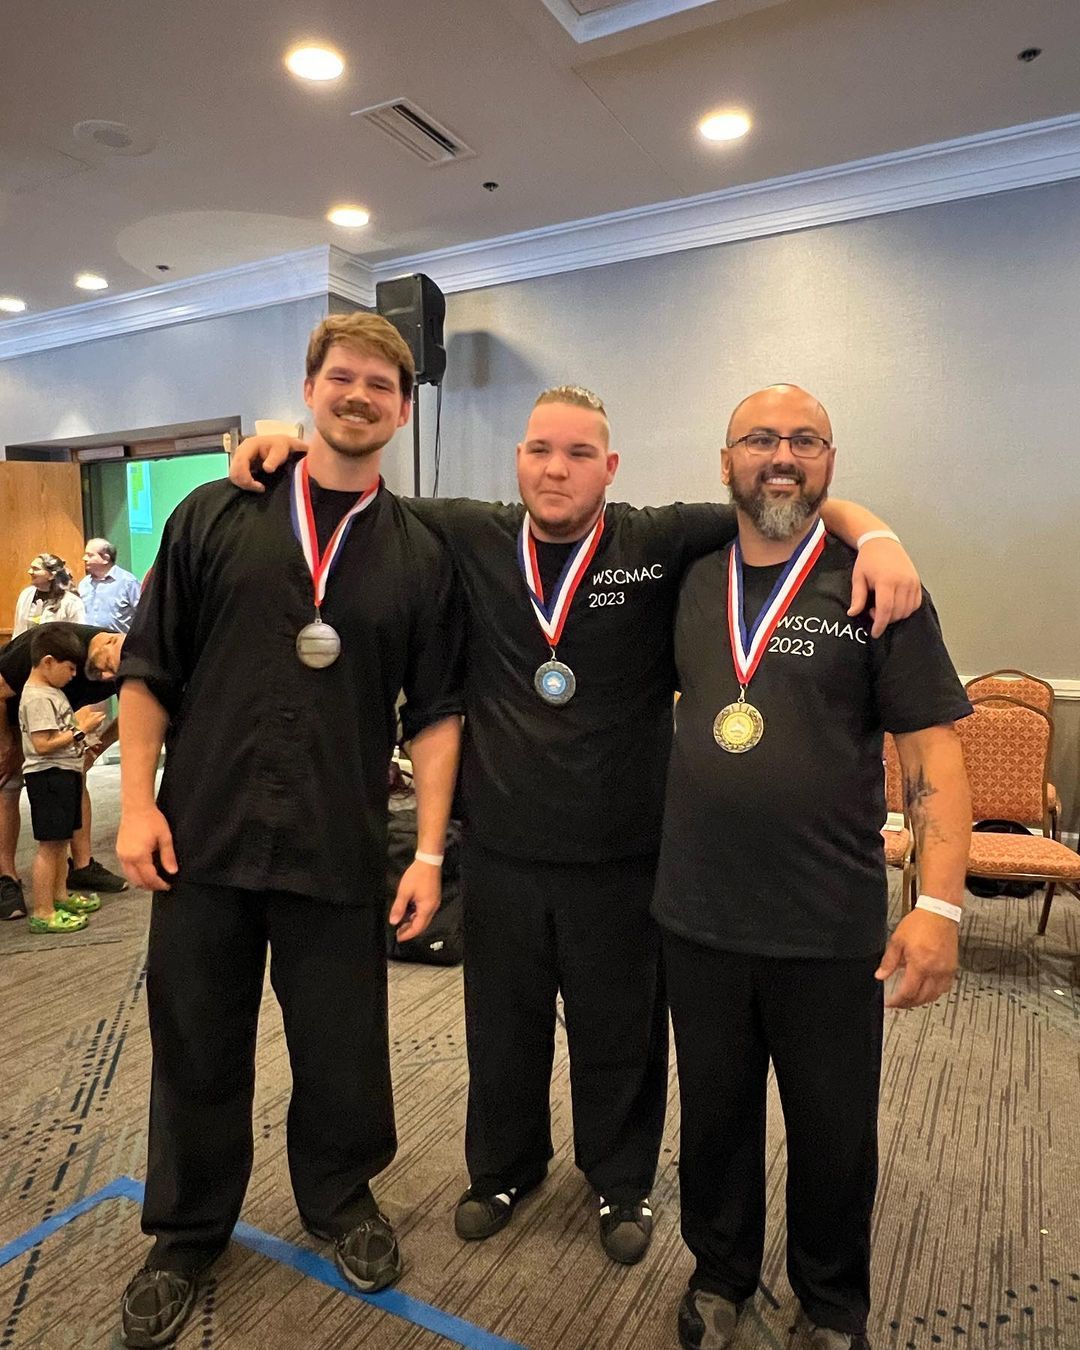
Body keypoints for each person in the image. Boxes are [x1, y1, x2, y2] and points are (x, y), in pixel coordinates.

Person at [230, 389, 923, 1268]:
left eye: (579, 454)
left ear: (611, 467)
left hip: (628, 855)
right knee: (502, 1030)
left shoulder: (660, 538)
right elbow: (360, 490)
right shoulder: (471, 533)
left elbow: (787, 494)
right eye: (540, 451)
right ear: (518, 461)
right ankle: (502, 1170)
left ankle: (621, 1177)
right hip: (505, 850)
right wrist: (290, 444)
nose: (557, 469)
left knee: (620, 1035)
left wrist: (882, 534)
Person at [115, 313, 463, 1350]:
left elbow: (439, 716)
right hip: (202, 839)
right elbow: (147, 672)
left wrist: (433, 853)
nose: (360, 398)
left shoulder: (420, 552)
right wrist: (135, 803)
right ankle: (184, 1231)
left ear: (403, 410)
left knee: (343, 1047)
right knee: (196, 1044)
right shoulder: (213, 514)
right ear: (309, 389)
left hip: (338, 844)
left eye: (381, 387)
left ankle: (341, 1197)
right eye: (342, 378)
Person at [653, 385, 972, 1350]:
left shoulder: (877, 585)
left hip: (826, 918)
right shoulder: (687, 575)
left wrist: (942, 910)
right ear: (724, 462)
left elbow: (934, 756)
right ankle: (720, 1274)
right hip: (697, 912)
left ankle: (832, 1306)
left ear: (830, 462)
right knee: (712, 1119)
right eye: (760, 438)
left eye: (805, 441)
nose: (781, 455)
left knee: (834, 1133)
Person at [0, 624, 125, 920]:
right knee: (7, 788)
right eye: (108, 667)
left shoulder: (128, 663)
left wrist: (92, 748)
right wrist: (9, 743)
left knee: (74, 785)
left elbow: (130, 713)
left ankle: (79, 870)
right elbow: (1, 692)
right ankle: (8, 879)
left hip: (57, 743)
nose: (108, 678)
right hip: (8, 714)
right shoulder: (47, 648)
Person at [18, 626, 107, 933]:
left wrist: (82, 740)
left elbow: (61, 734)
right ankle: (43, 911)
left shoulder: (52, 693)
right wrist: (78, 731)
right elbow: (43, 744)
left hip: (63, 773)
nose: (73, 675)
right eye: (69, 668)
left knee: (62, 843)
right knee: (50, 845)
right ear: (47, 662)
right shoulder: (38, 697)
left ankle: (59, 895)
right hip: (48, 776)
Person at [79, 538, 142, 632]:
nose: (84, 558)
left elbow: (142, 613)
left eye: (90, 555)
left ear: (105, 558)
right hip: (90, 642)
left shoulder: (128, 582)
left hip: (119, 642)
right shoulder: (84, 583)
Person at [13, 553, 85, 635]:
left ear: (51, 575)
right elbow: (18, 631)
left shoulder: (72, 602)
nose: (30, 572)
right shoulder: (26, 595)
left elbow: (79, 634)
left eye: (36, 569)